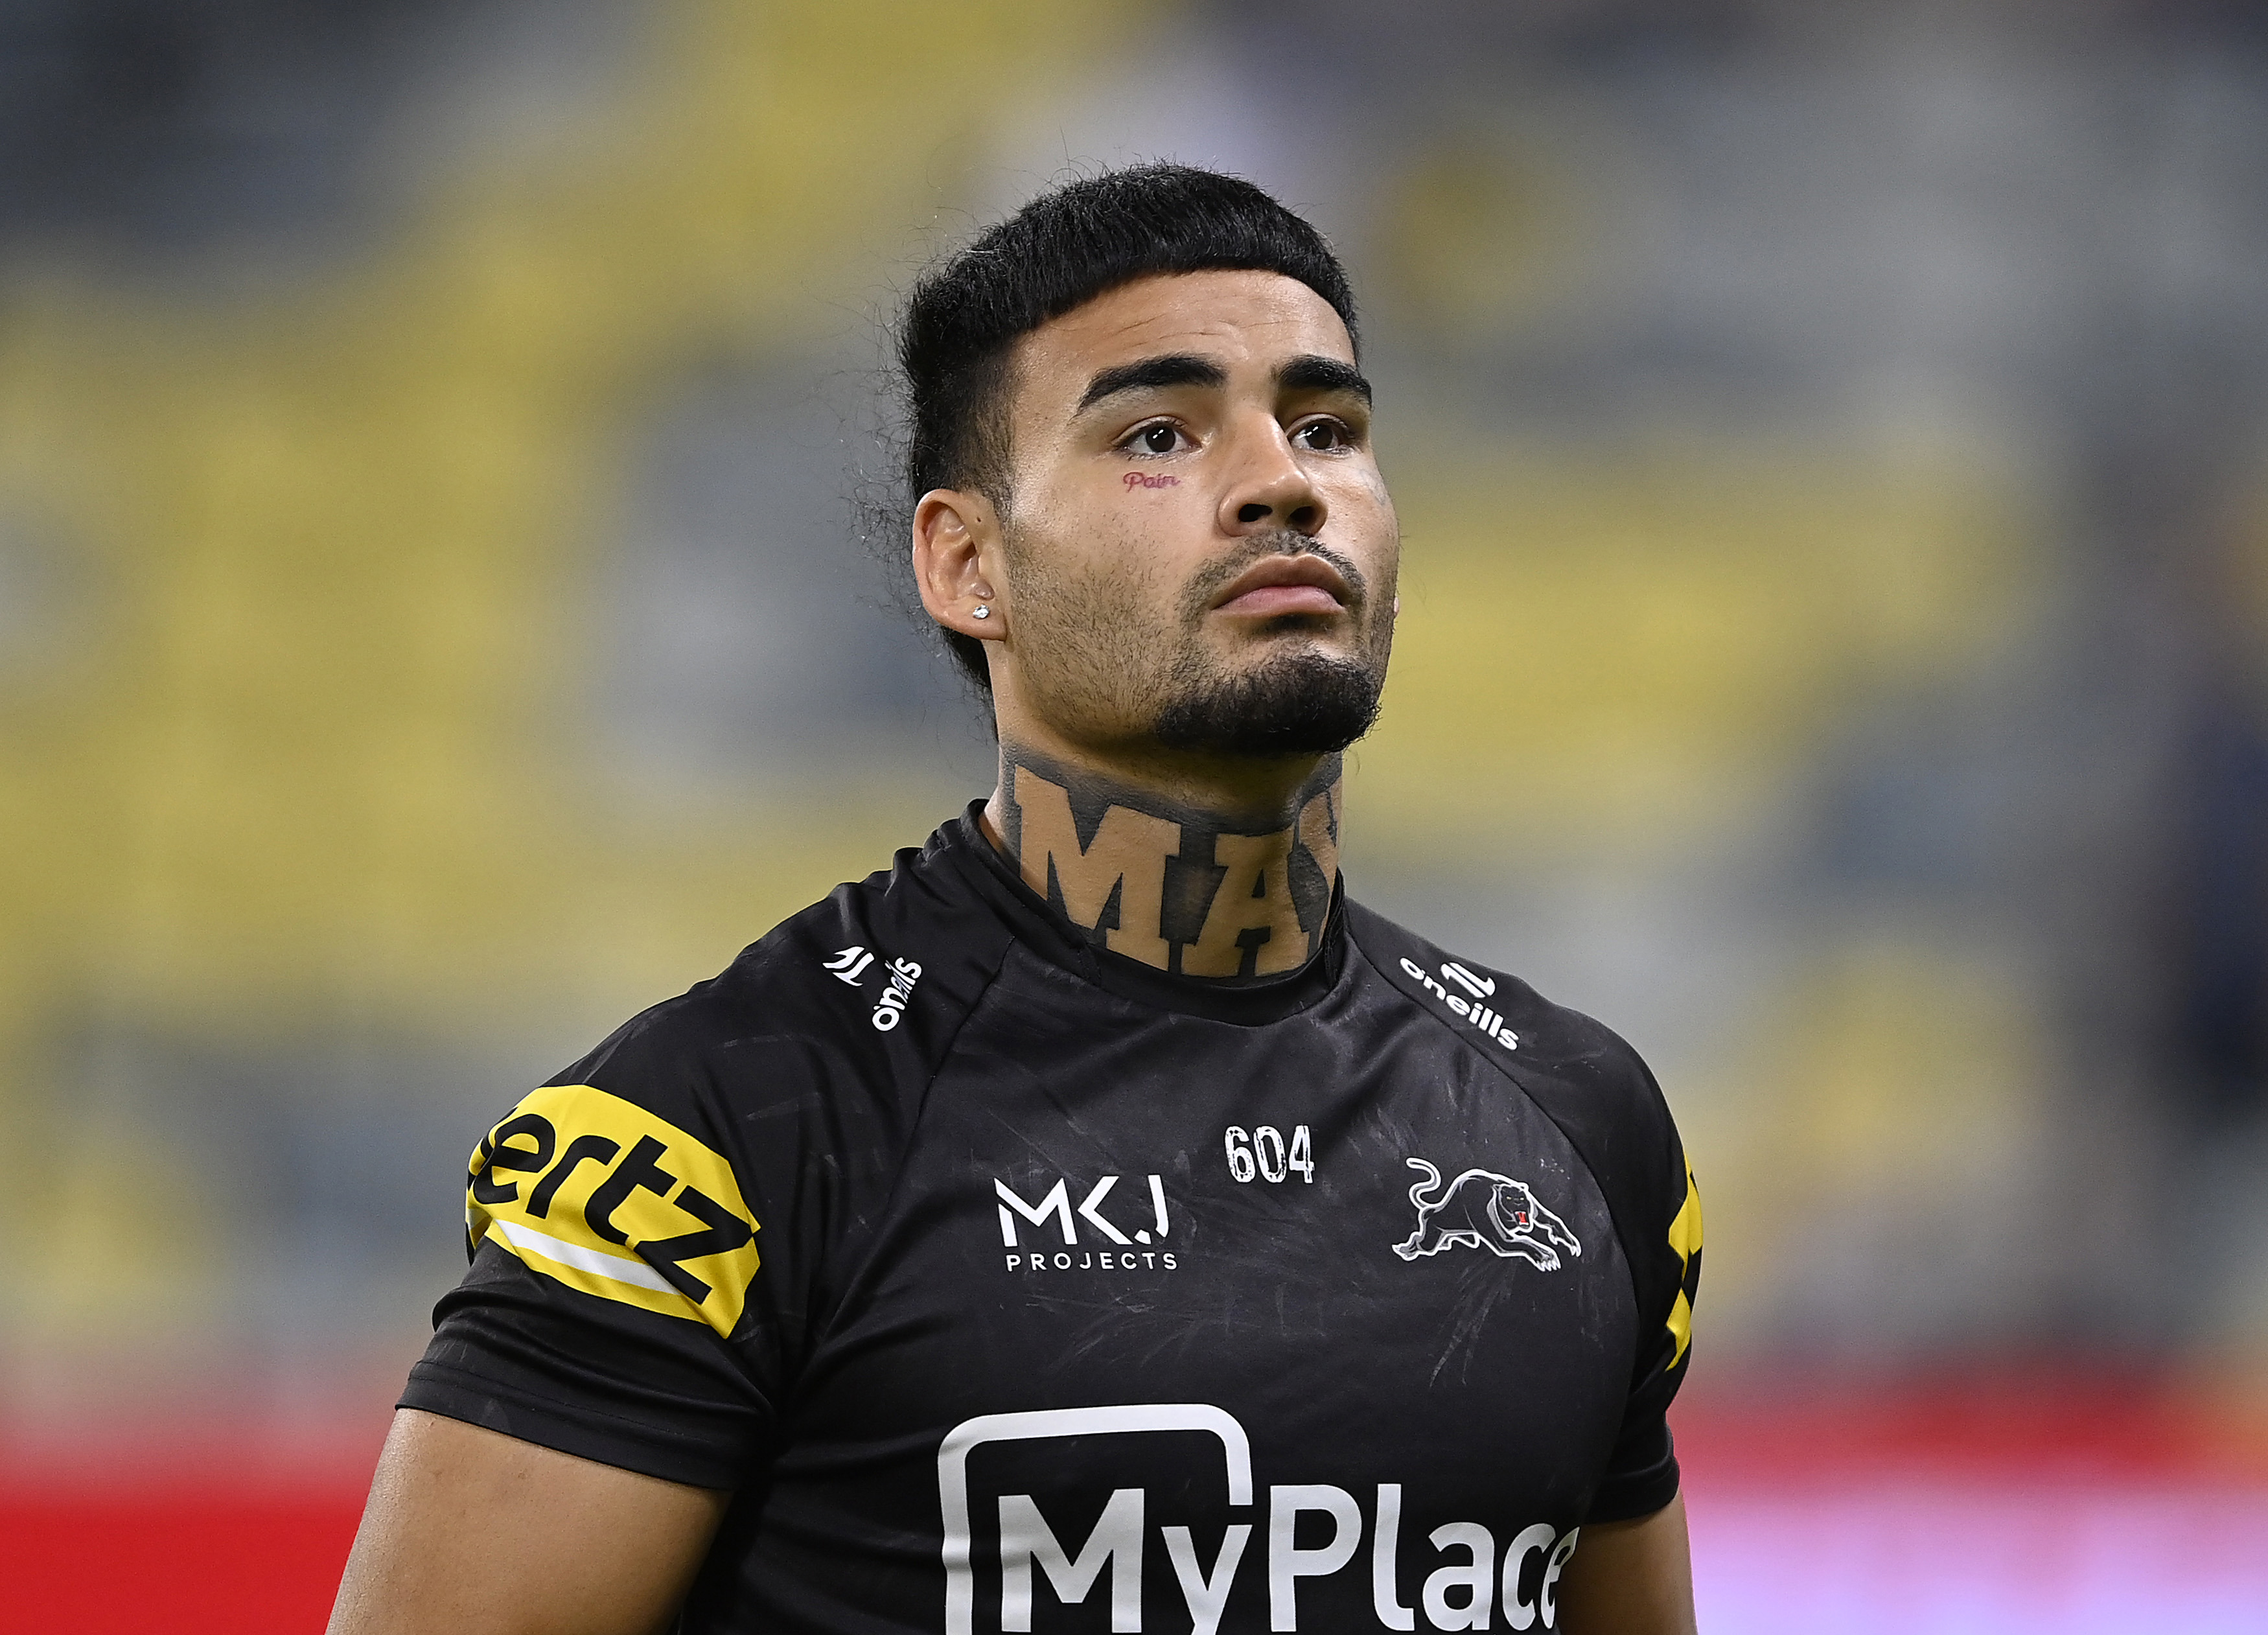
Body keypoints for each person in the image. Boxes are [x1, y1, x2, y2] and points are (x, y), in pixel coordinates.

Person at [328, 164, 1703, 1635]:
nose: (1285, 482)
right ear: (966, 564)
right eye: (1160, 433)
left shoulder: (1581, 1122)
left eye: (1327, 427)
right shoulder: (722, 1133)